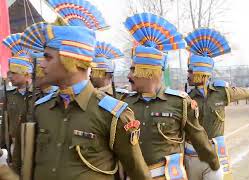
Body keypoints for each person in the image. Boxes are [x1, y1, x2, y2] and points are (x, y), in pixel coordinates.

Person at [15, 23, 152, 180]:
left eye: (48, 57)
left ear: (69, 60)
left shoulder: (113, 114)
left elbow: (139, 174)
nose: (41, 64)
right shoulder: (41, 109)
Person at [122, 13, 220, 179]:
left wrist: (214, 164)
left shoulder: (179, 102)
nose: (129, 75)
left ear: (147, 72)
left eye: (133, 70)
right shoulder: (124, 103)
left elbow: (199, 138)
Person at [184, 28, 249, 180]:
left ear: (201, 72)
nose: (188, 75)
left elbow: (241, 92)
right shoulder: (186, 98)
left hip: (216, 152)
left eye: (191, 71)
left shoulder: (220, 91)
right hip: (192, 154)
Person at [1, 33, 33, 157]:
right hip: (14, 146)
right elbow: (5, 123)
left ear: (26, 74)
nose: (9, 76)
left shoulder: (39, 95)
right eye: (9, 73)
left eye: (14, 73)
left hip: (33, 146)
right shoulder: (9, 95)